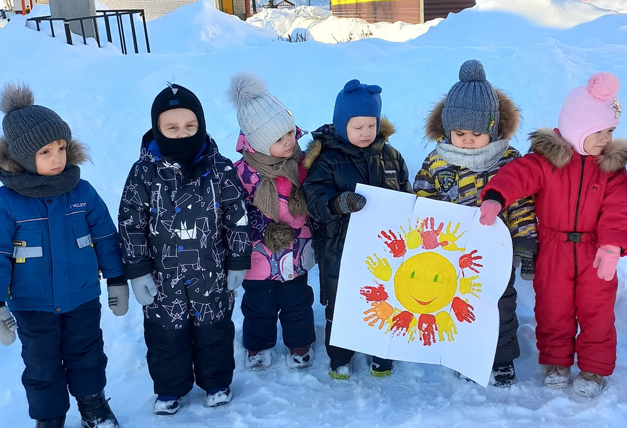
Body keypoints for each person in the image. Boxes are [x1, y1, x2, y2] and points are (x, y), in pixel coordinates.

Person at [0, 83, 126, 428]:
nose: (57, 157)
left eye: (61, 147)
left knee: (87, 356)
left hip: (82, 298)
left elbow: (105, 237)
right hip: (33, 305)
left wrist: (116, 278)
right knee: (42, 366)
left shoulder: (82, 192)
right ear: (24, 157)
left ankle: (94, 406)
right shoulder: (5, 202)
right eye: (45, 152)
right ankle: (50, 417)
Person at [479, 72, 627, 397]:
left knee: (597, 314)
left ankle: (593, 370)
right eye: (599, 131)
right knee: (553, 310)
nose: (606, 138)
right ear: (577, 128)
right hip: (553, 249)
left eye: (611, 130)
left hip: (596, 252)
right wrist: (496, 196)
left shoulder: (611, 169)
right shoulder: (546, 161)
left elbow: (618, 209)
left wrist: (611, 245)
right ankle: (556, 362)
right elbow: (517, 175)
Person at [117, 83, 251, 415]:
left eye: (190, 126)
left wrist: (238, 259)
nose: (182, 134)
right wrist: (137, 271)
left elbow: (237, 218)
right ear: (157, 128)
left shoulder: (220, 169)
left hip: (211, 273)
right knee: (166, 338)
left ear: (201, 125)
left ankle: (217, 383)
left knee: (214, 332)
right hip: (164, 280)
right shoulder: (144, 173)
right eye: (172, 128)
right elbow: (130, 223)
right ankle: (170, 389)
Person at [413, 59, 537, 387]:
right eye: (460, 133)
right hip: (452, 256)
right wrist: (424, 234)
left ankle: (501, 359)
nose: (467, 140)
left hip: (496, 254)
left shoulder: (508, 162)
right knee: (457, 305)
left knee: (499, 306)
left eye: (477, 133)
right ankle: (465, 354)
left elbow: (522, 204)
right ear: (448, 130)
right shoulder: (437, 162)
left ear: (493, 129)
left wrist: (525, 243)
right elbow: (422, 200)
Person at [303, 79, 412, 379]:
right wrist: (338, 202)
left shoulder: (391, 157)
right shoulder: (328, 159)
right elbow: (313, 196)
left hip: (384, 247)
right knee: (343, 303)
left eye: (370, 125)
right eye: (357, 126)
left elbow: (405, 191)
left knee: (384, 298)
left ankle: (381, 352)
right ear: (341, 125)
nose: (365, 133)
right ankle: (341, 355)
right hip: (341, 246)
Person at [228, 72, 317, 371]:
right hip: (259, 256)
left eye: (290, 132)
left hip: (296, 251)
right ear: (260, 143)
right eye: (280, 139)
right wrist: (263, 227)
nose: (290, 140)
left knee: (297, 302)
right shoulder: (242, 173)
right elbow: (233, 211)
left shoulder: (302, 164)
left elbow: (315, 193)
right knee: (258, 306)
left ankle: (299, 343)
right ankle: (258, 345)